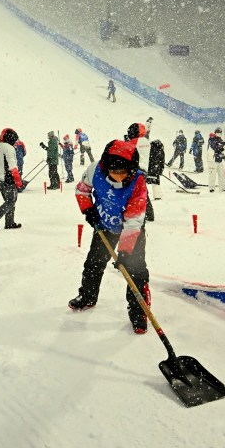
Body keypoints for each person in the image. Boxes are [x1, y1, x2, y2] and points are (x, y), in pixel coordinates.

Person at [69, 139, 151, 334]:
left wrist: (125, 251)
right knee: (93, 263)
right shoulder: (95, 170)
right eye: (114, 172)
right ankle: (88, 296)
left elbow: (134, 220)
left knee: (135, 271)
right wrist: (88, 210)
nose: (118, 177)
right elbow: (82, 190)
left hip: (131, 230)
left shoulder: (138, 183)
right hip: (104, 226)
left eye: (123, 173)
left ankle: (139, 313)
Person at [0, 128, 24, 231]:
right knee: (11, 201)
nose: (16, 142)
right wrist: (18, 180)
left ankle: (10, 223)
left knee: (9, 201)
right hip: (9, 178)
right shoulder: (9, 148)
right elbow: (12, 166)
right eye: (15, 139)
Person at [205, 127, 225, 192]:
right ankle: (211, 188)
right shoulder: (211, 139)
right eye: (218, 133)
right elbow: (215, 147)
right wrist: (223, 144)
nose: (219, 134)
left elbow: (220, 151)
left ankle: (223, 187)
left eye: (220, 133)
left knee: (222, 174)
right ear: (215, 133)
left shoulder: (220, 140)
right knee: (212, 175)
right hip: (212, 160)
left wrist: (224, 158)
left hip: (219, 160)